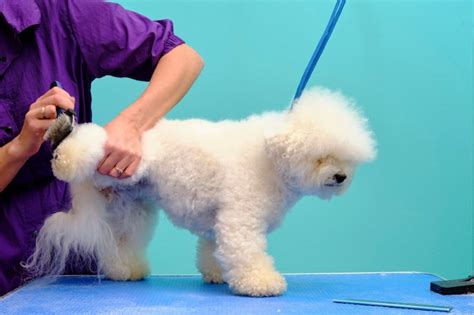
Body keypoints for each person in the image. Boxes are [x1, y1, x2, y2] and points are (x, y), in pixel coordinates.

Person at [0, 0, 204, 296]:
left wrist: (131, 125)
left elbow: (183, 58)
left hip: (80, 265)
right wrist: (19, 147)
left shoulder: (64, 12)